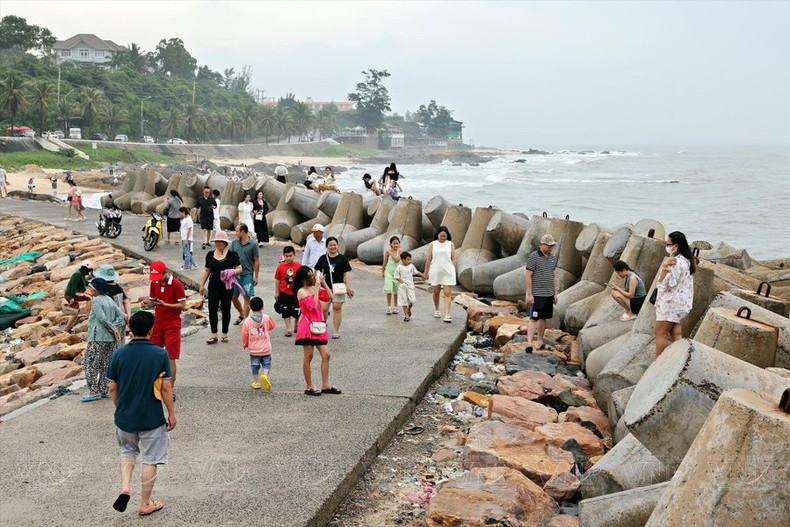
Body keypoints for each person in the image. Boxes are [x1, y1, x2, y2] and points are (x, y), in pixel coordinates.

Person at [107, 311, 176, 517]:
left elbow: (112, 387)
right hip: (151, 417)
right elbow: (165, 388)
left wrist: (120, 408)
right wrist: (171, 413)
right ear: (151, 330)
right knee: (151, 458)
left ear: (130, 329)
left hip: (125, 417)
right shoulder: (160, 354)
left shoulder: (119, 354)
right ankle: (145, 503)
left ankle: (125, 487)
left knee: (127, 451)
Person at [141, 261, 186, 401]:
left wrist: (165, 304)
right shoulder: (154, 283)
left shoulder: (177, 284)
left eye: (159, 276)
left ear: (166, 272)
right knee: (152, 355)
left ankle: (169, 390)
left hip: (172, 324)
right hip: (158, 323)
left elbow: (182, 305)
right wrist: (148, 303)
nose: (158, 280)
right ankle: (153, 387)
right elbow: (153, 301)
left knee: (171, 357)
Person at [294, 266, 340, 396]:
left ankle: (326, 385)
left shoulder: (313, 288)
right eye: (310, 275)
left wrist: (323, 283)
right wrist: (316, 289)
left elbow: (330, 296)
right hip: (307, 328)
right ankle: (309, 386)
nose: (313, 277)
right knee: (308, 356)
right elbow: (313, 306)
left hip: (318, 326)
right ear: (304, 278)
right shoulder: (301, 291)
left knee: (326, 355)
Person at [81, 277, 125, 402]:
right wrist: (115, 327)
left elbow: (101, 318)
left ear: (97, 289)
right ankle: (104, 389)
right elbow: (120, 315)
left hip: (97, 336)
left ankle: (94, 391)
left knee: (90, 363)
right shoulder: (109, 300)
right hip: (109, 338)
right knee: (105, 363)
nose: (89, 289)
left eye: (91, 287)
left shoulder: (96, 301)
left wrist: (112, 328)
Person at [654, 231, 696, 357]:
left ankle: (659, 364)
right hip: (680, 304)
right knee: (676, 335)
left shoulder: (675, 262)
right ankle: (678, 361)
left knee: (660, 335)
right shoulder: (687, 261)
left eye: (668, 244)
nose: (667, 247)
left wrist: (664, 267)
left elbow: (667, 284)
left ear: (675, 246)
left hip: (670, 304)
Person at [199, 230, 242, 344]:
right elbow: (207, 270)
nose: (218, 243)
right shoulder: (210, 255)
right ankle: (214, 333)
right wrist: (202, 285)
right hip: (213, 286)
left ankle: (224, 333)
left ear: (225, 242)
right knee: (212, 308)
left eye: (220, 241)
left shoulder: (232, 255)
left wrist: (231, 272)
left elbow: (239, 268)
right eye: (216, 241)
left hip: (227, 286)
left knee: (225, 308)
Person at [313, 236, 354, 339]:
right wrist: (316, 282)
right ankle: (322, 325)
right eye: (330, 245)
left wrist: (348, 287)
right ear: (327, 246)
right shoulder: (323, 258)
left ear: (337, 246)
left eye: (334, 245)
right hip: (325, 287)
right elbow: (315, 270)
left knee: (337, 308)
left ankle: (336, 331)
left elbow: (347, 273)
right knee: (324, 309)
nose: (333, 247)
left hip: (338, 287)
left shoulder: (343, 258)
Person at [525, 234, 558, 351]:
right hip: (537, 294)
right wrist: (530, 294)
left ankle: (540, 341)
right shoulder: (534, 257)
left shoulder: (553, 258)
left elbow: (553, 276)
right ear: (542, 245)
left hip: (548, 293)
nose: (550, 248)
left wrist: (555, 293)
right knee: (533, 318)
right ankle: (529, 343)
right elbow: (528, 276)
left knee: (543, 318)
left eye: (552, 246)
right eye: (548, 246)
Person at [241, 296, 276, 390]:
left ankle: (257, 382)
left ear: (250, 307)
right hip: (265, 348)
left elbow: (245, 334)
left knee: (254, 366)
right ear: (263, 307)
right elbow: (273, 326)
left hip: (254, 349)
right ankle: (264, 375)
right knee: (266, 363)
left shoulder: (247, 321)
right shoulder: (266, 318)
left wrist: (245, 344)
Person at [424, 226, 457, 323]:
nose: (443, 237)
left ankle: (447, 314)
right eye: (441, 236)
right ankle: (437, 309)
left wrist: (452, 268)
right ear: (437, 235)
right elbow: (429, 259)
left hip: (448, 271)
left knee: (447, 293)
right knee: (436, 292)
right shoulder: (433, 244)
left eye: (444, 236)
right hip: (436, 270)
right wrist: (426, 272)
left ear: (447, 235)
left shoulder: (450, 244)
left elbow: (454, 258)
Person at [94, 264, 131, 347]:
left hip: (112, 321)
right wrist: (128, 315)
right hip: (122, 320)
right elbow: (126, 301)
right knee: (120, 342)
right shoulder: (118, 287)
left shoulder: (105, 290)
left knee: (111, 345)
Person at [231, 223, 260, 324]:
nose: (235, 233)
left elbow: (256, 261)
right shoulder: (234, 243)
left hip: (247, 275)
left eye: (237, 231)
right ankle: (241, 313)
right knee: (233, 298)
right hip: (235, 275)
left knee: (246, 299)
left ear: (243, 232)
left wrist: (256, 277)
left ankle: (246, 322)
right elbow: (230, 258)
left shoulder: (253, 244)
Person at [274, 246, 301, 337]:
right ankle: (288, 328)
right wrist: (276, 292)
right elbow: (277, 280)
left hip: (296, 293)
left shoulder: (299, 266)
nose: (288, 258)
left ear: (294, 255)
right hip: (284, 292)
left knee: (297, 310)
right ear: (284, 256)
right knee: (285, 310)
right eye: (286, 256)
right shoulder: (281, 267)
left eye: (290, 256)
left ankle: (296, 323)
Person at [63, 260, 94, 333]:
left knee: (76, 311)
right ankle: (88, 316)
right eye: (89, 270)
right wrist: (73, 298)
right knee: (90, 297)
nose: (89, 272)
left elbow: (86, 283)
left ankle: (66, 328)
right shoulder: (77, 274)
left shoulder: (81, 274)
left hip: (71, 294)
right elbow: (74, 286)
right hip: (71, 294)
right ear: (85, 268)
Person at [394, 251, 425, 321]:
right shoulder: (399, 267)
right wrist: (402, 282)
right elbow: (396, 276)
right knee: (404, 301)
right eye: (408, 259)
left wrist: (423, 275)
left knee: (412, 300)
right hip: (403, 286)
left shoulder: (411, 266)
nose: (410, 261)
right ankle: (406, 315)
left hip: (410, 286)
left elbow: (416, 272)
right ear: (403, 260)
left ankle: (409, 309)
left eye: (410, 259)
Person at [381, 236, 401, 314]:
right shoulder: (387, 252)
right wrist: (383, 271)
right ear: (391, 244)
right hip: (389, 272)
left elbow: (397, 260)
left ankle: (395, 306)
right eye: (394, 243)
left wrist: (391, 253)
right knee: (389, 289)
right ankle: (389, 306)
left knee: (396, 290)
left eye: (397, 243)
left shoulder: (400, 251)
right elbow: (385, 262)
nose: (395, 245)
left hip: (397, 273)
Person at [179, 206, 198, 271]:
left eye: (181, 213)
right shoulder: (185, 219)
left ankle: (186, 266)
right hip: (184, 237)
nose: (180, 214)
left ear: (184, 212)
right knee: (188, 252)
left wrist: (186, 239)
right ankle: (194, 264)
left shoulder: (188, 219)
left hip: (187, 238)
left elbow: (189, 230)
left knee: (186, 253)